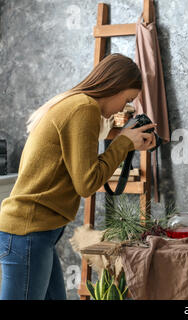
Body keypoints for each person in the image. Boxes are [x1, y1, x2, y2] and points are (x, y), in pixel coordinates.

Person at [0, 53, 157, 300]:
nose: (122, 109)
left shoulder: (75, 103)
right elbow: (87, 183)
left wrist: (126, 142)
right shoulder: (84, 108)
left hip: (37, 231)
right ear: (114, 86)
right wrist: (123, 143)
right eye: (126, 99)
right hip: (29, 231)